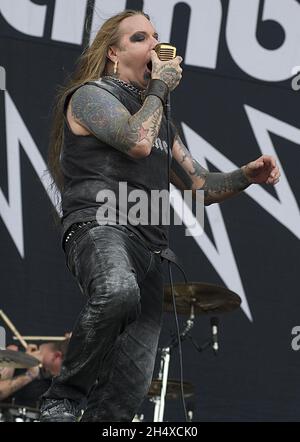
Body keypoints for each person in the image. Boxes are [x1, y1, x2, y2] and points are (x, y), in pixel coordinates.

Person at [40, 10, 280, 422]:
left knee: (130, 387)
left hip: (150, 248)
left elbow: (200, 185)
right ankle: (61, 397)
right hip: (101, 225)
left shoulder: (159, 120)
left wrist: (246, 176)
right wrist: (161, 87)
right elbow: (136, 142)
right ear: (114, 53)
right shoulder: (92, 95)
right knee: (117, 291)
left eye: (156, 37)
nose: (154, 44)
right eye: (140, 38)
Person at [0, 341, 68, 409]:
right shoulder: (13, 353)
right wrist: (30, 375)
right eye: (64, 369)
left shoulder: (54, 382)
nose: (61, 374)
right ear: (57, 356)